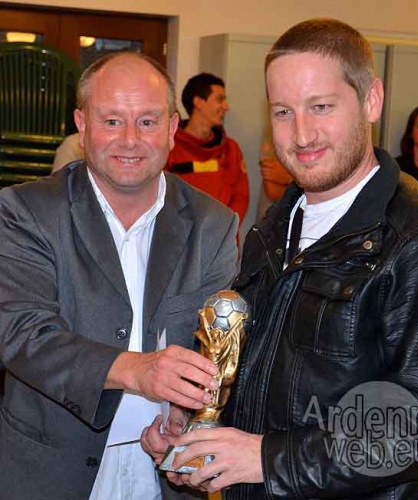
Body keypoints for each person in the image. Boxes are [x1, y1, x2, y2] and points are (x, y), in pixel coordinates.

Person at [142, 18, 418, 499]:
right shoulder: (271, 229)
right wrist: (200, 432)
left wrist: (265, 459)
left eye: (321, 107)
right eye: (283, 111)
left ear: (371, 100)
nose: (302, 134)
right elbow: (267, 377)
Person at [0, 52, 239, 500]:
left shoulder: (213, 225)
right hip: (50, 470)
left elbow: (215, 352)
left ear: (172, 128)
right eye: (112, 121)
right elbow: (22, 333)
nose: (130, 140)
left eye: (147, 122)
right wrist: (137, 370)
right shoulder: (25, 211)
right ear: (82, 124)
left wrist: (184, 416)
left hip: (162, 473)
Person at [165, 73, 249, 226]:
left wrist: (224, 228)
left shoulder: (231, 149)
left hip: (222, 234)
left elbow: (241, 196)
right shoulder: (170, 147)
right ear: (198, 102)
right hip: (180, 233)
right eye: (220, 99)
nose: (226, 107)